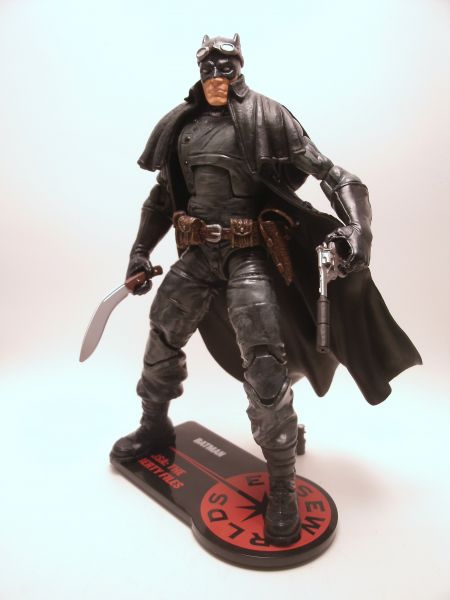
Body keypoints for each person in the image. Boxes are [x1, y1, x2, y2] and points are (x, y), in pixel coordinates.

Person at [110, 34, 421, 546]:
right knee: (162, 335)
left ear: (240, 66)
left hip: (248, 254)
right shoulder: (182, 125)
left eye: (225, 65)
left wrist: (358, 229)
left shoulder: (267, 117)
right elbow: (163, 196)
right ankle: (155, 424)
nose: (217, 74)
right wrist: (140, 251)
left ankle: (281, 483)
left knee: (264, 364)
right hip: (197, 255)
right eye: (209, 66)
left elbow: (337, 176)